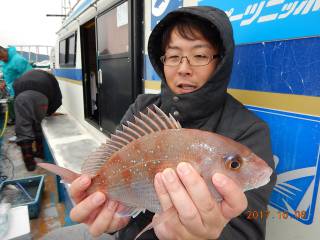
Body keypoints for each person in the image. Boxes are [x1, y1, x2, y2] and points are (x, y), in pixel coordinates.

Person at [43, 6, 276, 240]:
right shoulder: (143, 107)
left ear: (220, 62)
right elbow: (115, 174)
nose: (184, 69)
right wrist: (111, 218)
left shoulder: (249, 130)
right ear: (162, 61)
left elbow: (248, 231)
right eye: (174, 56)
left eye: (200, 56)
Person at [13, 69, 62, 171]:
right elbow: (58, 99)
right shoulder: (51, 78)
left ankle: (29, 160)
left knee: (23, 126)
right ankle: (40, 151)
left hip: (21, 96)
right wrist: (50, 112)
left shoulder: (25, 74)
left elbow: (15, 87)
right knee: (39, 123)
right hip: (41, 96)